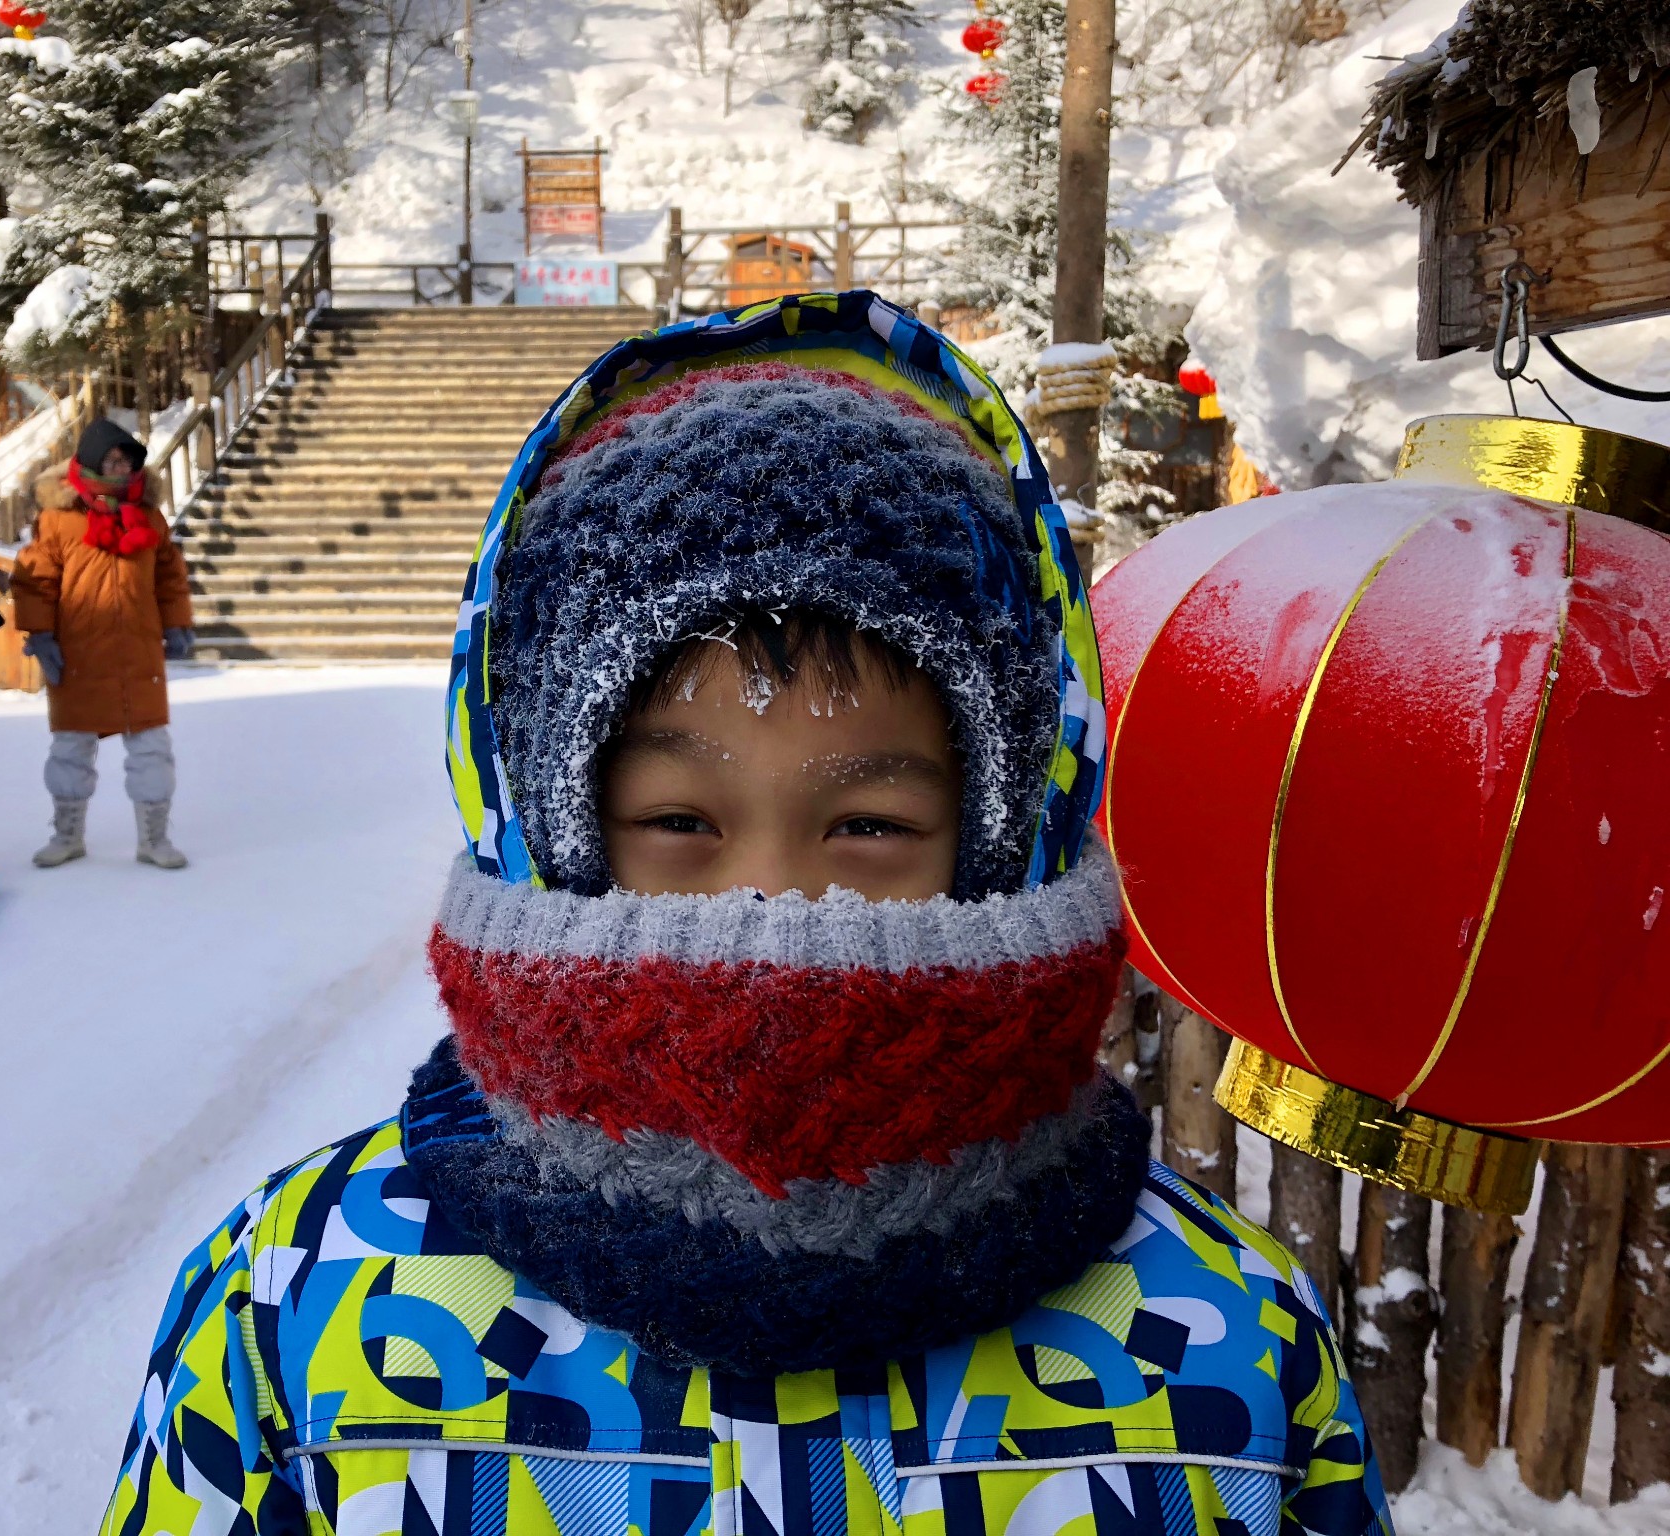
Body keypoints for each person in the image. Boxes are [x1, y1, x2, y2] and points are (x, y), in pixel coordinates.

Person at [96, 296, 1392, 1536]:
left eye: (871, 826)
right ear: (551, 822)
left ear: (1002, 837)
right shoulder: (308, 1302)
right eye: (679, 822)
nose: (771, 898)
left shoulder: (1215, 1343)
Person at [13, 418, 194, 869]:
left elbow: (169, 576)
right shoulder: (57, 520)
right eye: (110, 461)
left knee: (152, 747)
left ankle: (154, 838)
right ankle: (67, 834)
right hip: (79, 654)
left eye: (126, 461)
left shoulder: (149, 518)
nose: (119, 469)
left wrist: (176, 623)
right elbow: (35, 581)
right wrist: (40, 634)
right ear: (91, 462)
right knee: (72, 748)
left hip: (138, 651)